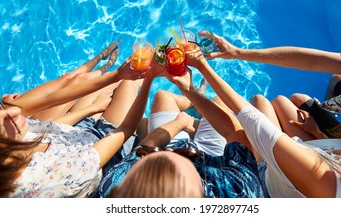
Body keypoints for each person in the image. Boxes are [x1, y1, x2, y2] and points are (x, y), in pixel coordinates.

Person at [186, 47, 341, 197]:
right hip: (316, 154)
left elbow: (255, 122)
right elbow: (313, 60)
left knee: (256, 105)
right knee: (281, 102)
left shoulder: (332, 185)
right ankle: (195, 104)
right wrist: (319, 133)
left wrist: (202, 67)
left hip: (269, 175)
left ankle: (193, 101)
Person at [0, 56, 163, 198]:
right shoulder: (49, 178)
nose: (16, 112)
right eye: (6, 120)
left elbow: (49, 126)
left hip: (76, 134)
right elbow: (123, 130)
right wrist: (149, 79)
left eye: (1, 107)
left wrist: (96, 103)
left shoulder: (11, 141)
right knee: (130, 83)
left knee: (116, 82)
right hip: (107, 151)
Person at [98, 68, 266, 198]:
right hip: (216, 157)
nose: (170, 151)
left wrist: (179, 123)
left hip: (176, 138)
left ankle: (194, 108)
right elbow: (233, 132)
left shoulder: (119, 188)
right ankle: (197, 103)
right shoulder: (238, 192)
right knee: (219, 102)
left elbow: (144, 148)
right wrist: (190, 92)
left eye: (158, 160)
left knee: (163, 96)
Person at [204, 32, 341, 135]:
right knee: (337, 79)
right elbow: (313, 61)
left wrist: (318, 133)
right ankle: (332, 115)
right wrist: (237, 52)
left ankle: (332, 132)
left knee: (281, 103)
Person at [0, 41, 121, 122]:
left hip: (8, 115)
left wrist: (2, 107)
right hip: (26, 129)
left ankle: (101, 56)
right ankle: (109, 65)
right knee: (81, 79)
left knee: (67, 77)